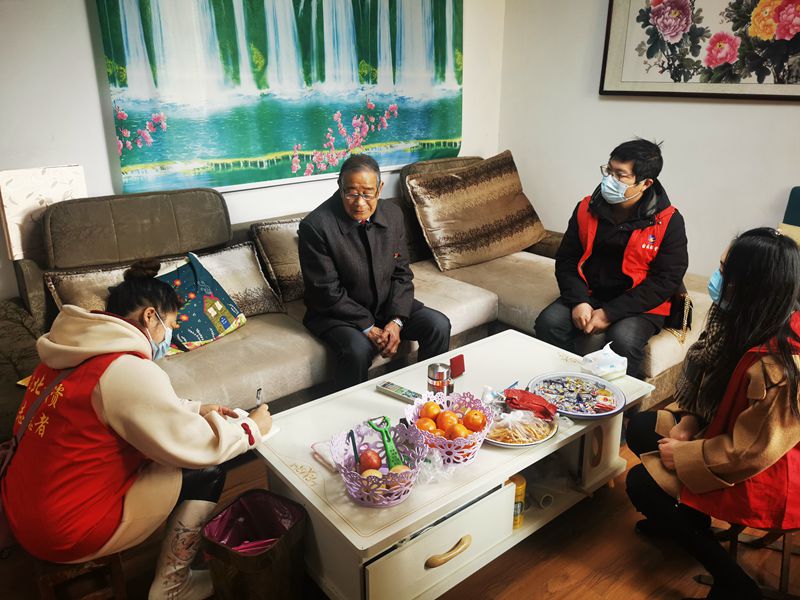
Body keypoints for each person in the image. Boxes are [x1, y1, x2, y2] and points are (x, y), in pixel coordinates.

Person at [1, 261, 272, 600]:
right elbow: (195, 445)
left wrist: (196, 408)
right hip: (68, 530)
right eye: (170, 325)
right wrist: (251, 427)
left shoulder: (67, 354)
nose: (169, 337)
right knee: (207, 472)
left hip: (25, 509)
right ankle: (173, 586)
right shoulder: (124, 370)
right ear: (150, 317)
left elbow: (127, 407)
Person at [625, 228, 800, 599]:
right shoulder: (737, 319)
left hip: (769, 472)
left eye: (724, 271)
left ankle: (735, 584)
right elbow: (710, 389)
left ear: (751, 284)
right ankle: (687, 519)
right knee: (640, 427)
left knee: (642, 482)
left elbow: (751, 452)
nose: (715, 278)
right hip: (730, 436)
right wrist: (689, 422)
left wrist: (685, 454)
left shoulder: (782, 364)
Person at [535, 139, 688, 378]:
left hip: (639, 303)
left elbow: (666, 280)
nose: (609, 180)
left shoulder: (668, 221)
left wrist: (609, 313)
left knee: (623, 340)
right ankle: (561, 383)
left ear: (646, 183)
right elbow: (567, 259)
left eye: (621, 175)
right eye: (609, 170)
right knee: (549, 323)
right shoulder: (586, 208)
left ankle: (621, 402)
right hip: (590, 292)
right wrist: (578, 301)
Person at [298, 154, 451, 389]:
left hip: (385, 304)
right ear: (339, 187)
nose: (360, 203)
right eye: (351, 193)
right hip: (338, 314)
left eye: (367, 193)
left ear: (379, 189)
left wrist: (396, 321)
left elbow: (402, 273)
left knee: (438, 325)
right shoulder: (316, 226)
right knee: (357, 350)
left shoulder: (393, 214)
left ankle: (428, 401)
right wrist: (369, 328)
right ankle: (352, 411)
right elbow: (326, 292)